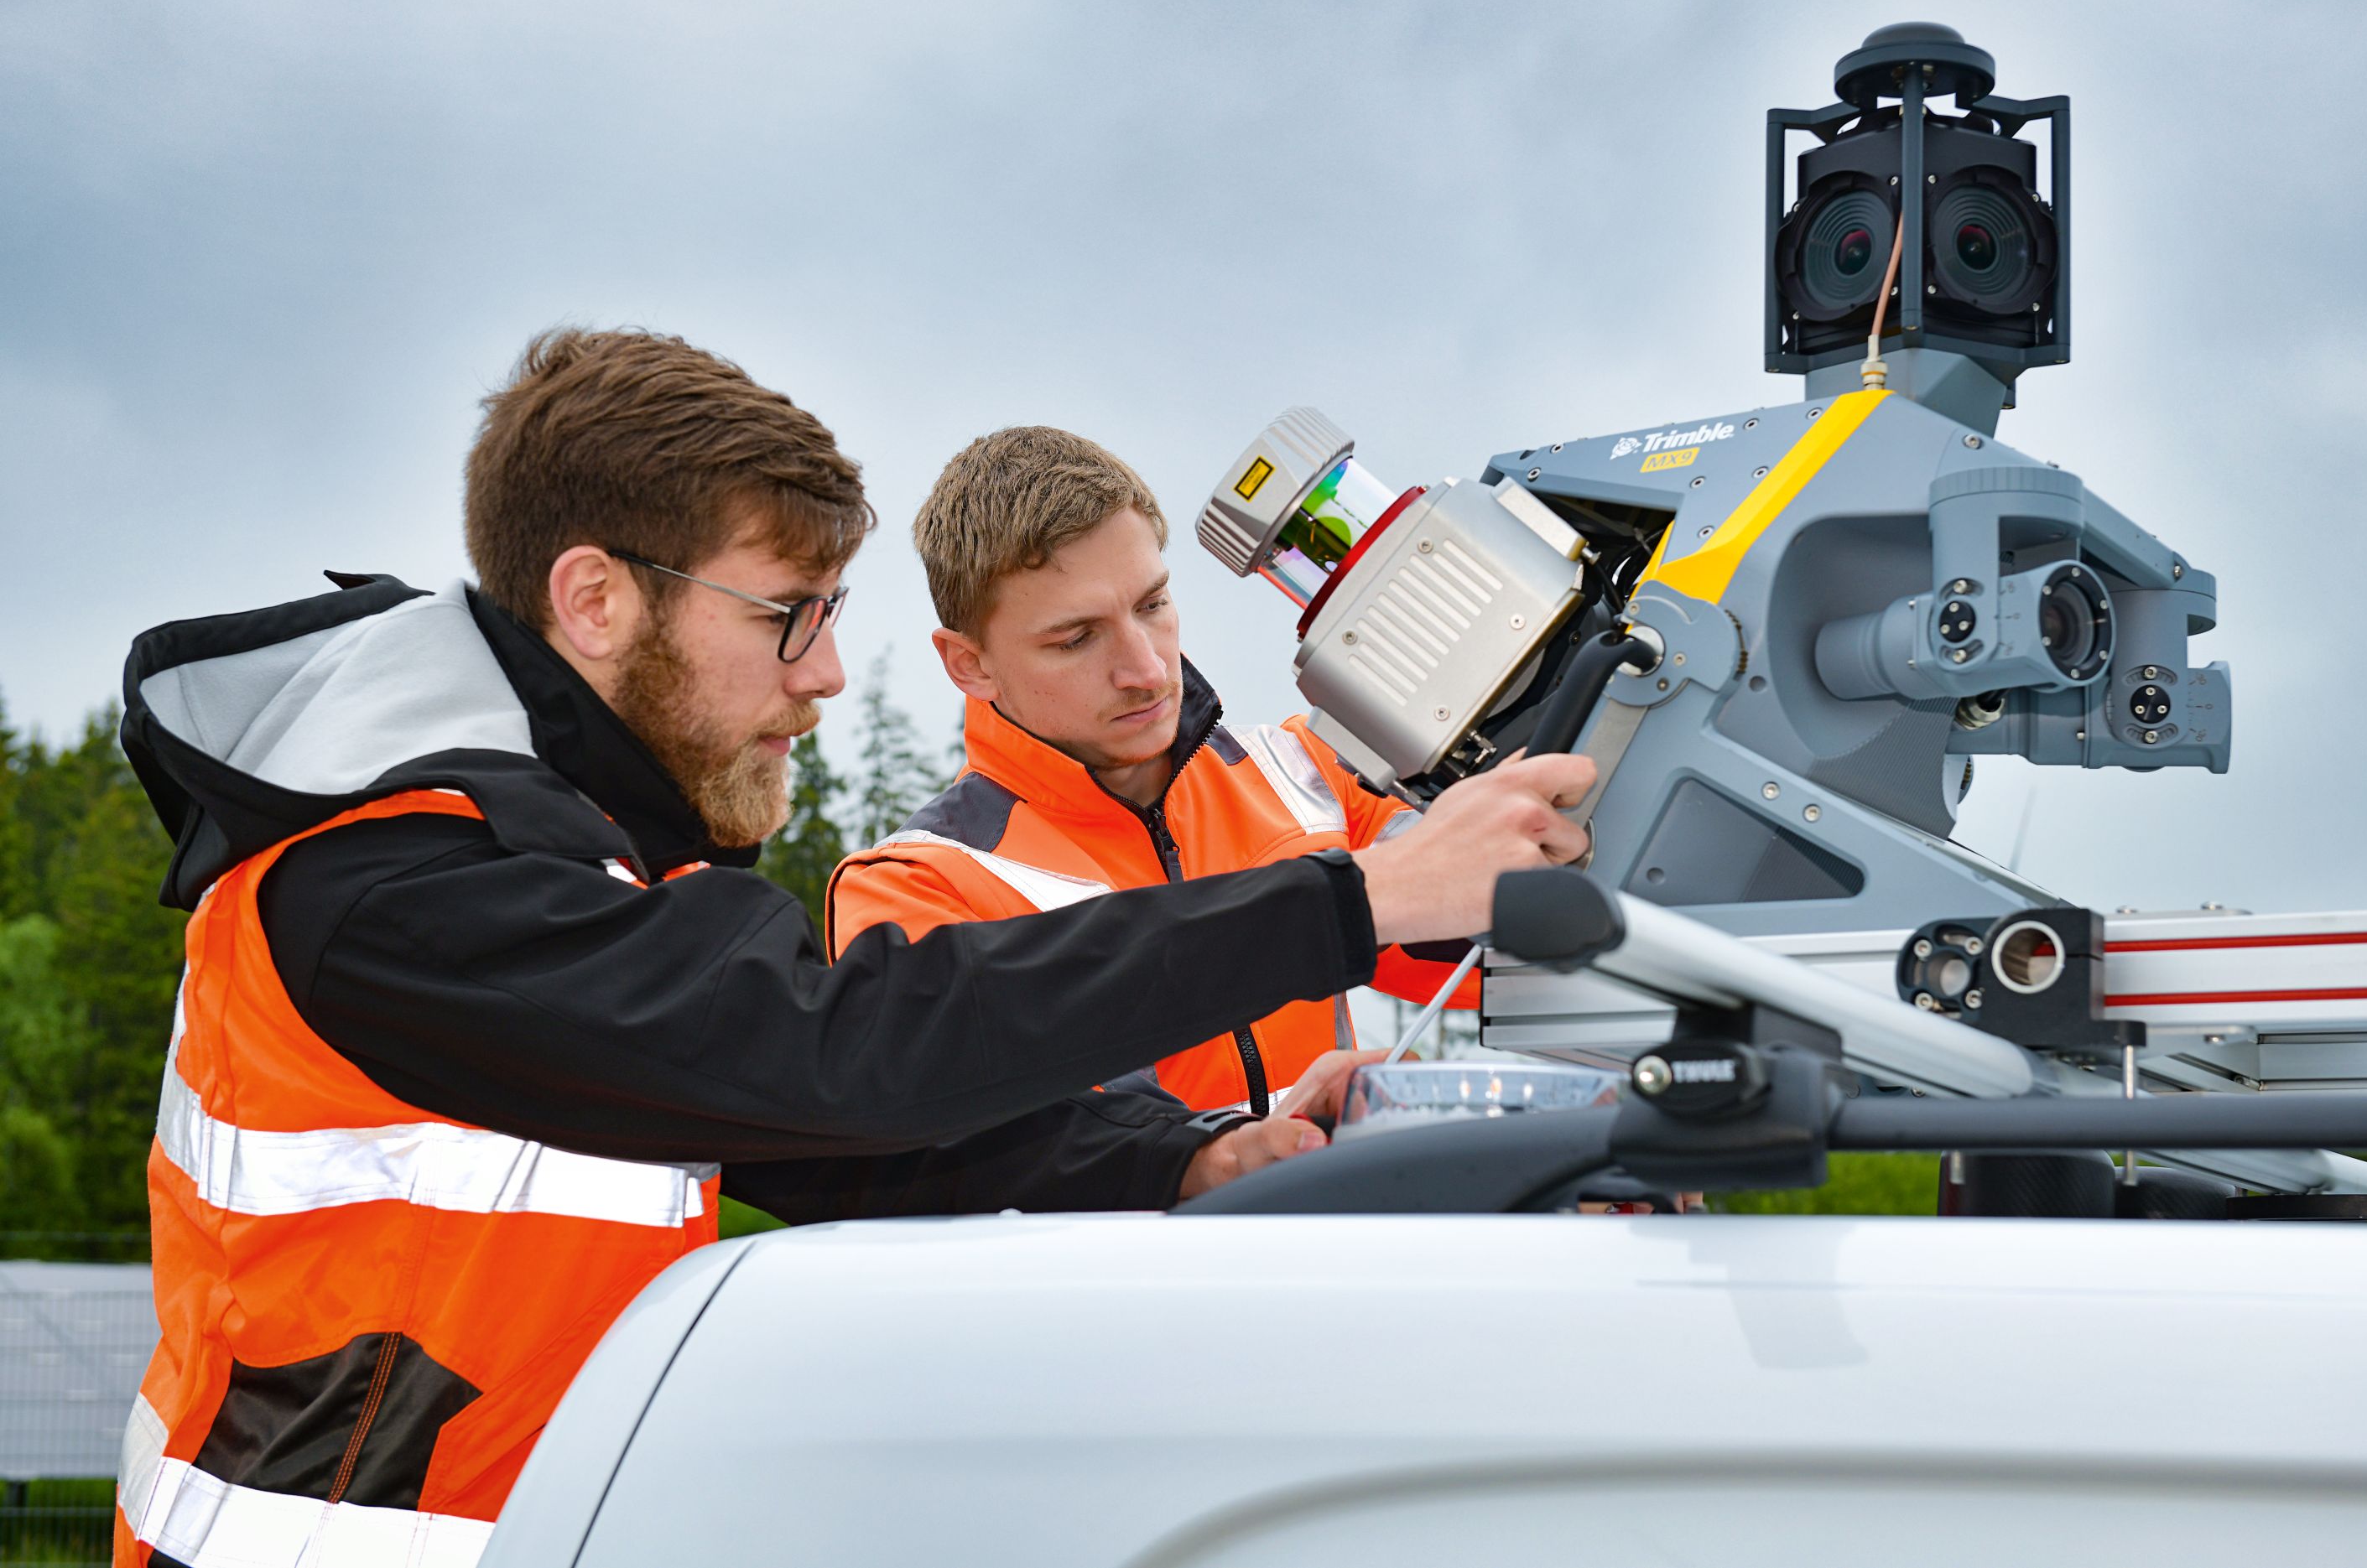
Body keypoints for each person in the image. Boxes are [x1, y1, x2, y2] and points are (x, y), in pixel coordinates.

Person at [112, 330, 1593, 1567]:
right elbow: (837, 1048)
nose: (824, 671)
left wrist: (1183, 1158)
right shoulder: (396, 880)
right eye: (787, 616)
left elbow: (842, 1142)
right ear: (594, 598)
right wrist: (1350, 901)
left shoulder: (571, 855)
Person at [828, 427, 1482, 1114]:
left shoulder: (1307, 771)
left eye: (1152, 604)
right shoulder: (917, 889)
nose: (1145, 670)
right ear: (969, 663)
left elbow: (1505, 943)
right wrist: (1246, 1151)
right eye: (1076, 638)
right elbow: (1043, 1143)